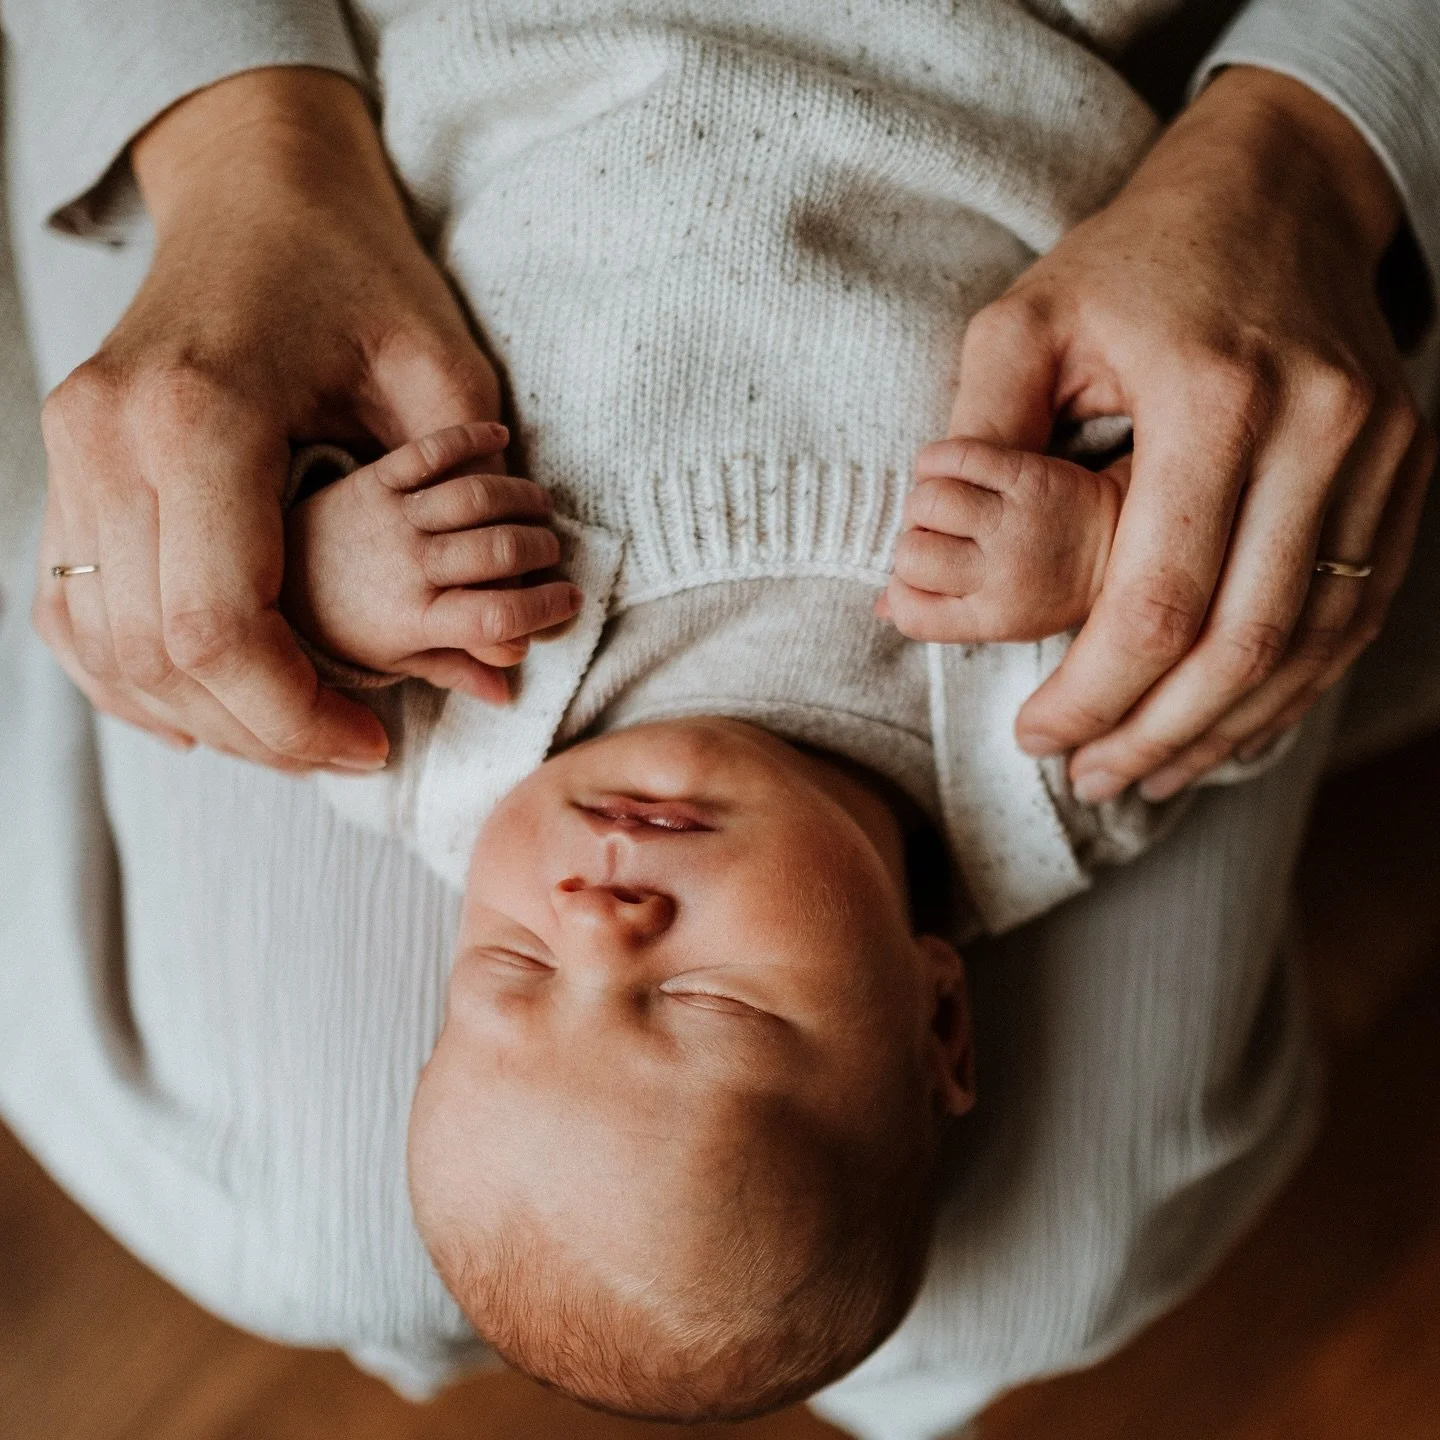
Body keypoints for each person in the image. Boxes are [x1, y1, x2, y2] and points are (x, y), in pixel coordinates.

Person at [0, 4, 1436, 1439]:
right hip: (983, 53)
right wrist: (1090, 537)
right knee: (1023, 1311)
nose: (598, 920)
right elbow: (1214, 591)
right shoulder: (1052, 764)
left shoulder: (434, 752)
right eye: (703, 1002)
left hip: (511, 41)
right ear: (939, 1011)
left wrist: (334, 566)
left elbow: (287, 495)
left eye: (507, 972)